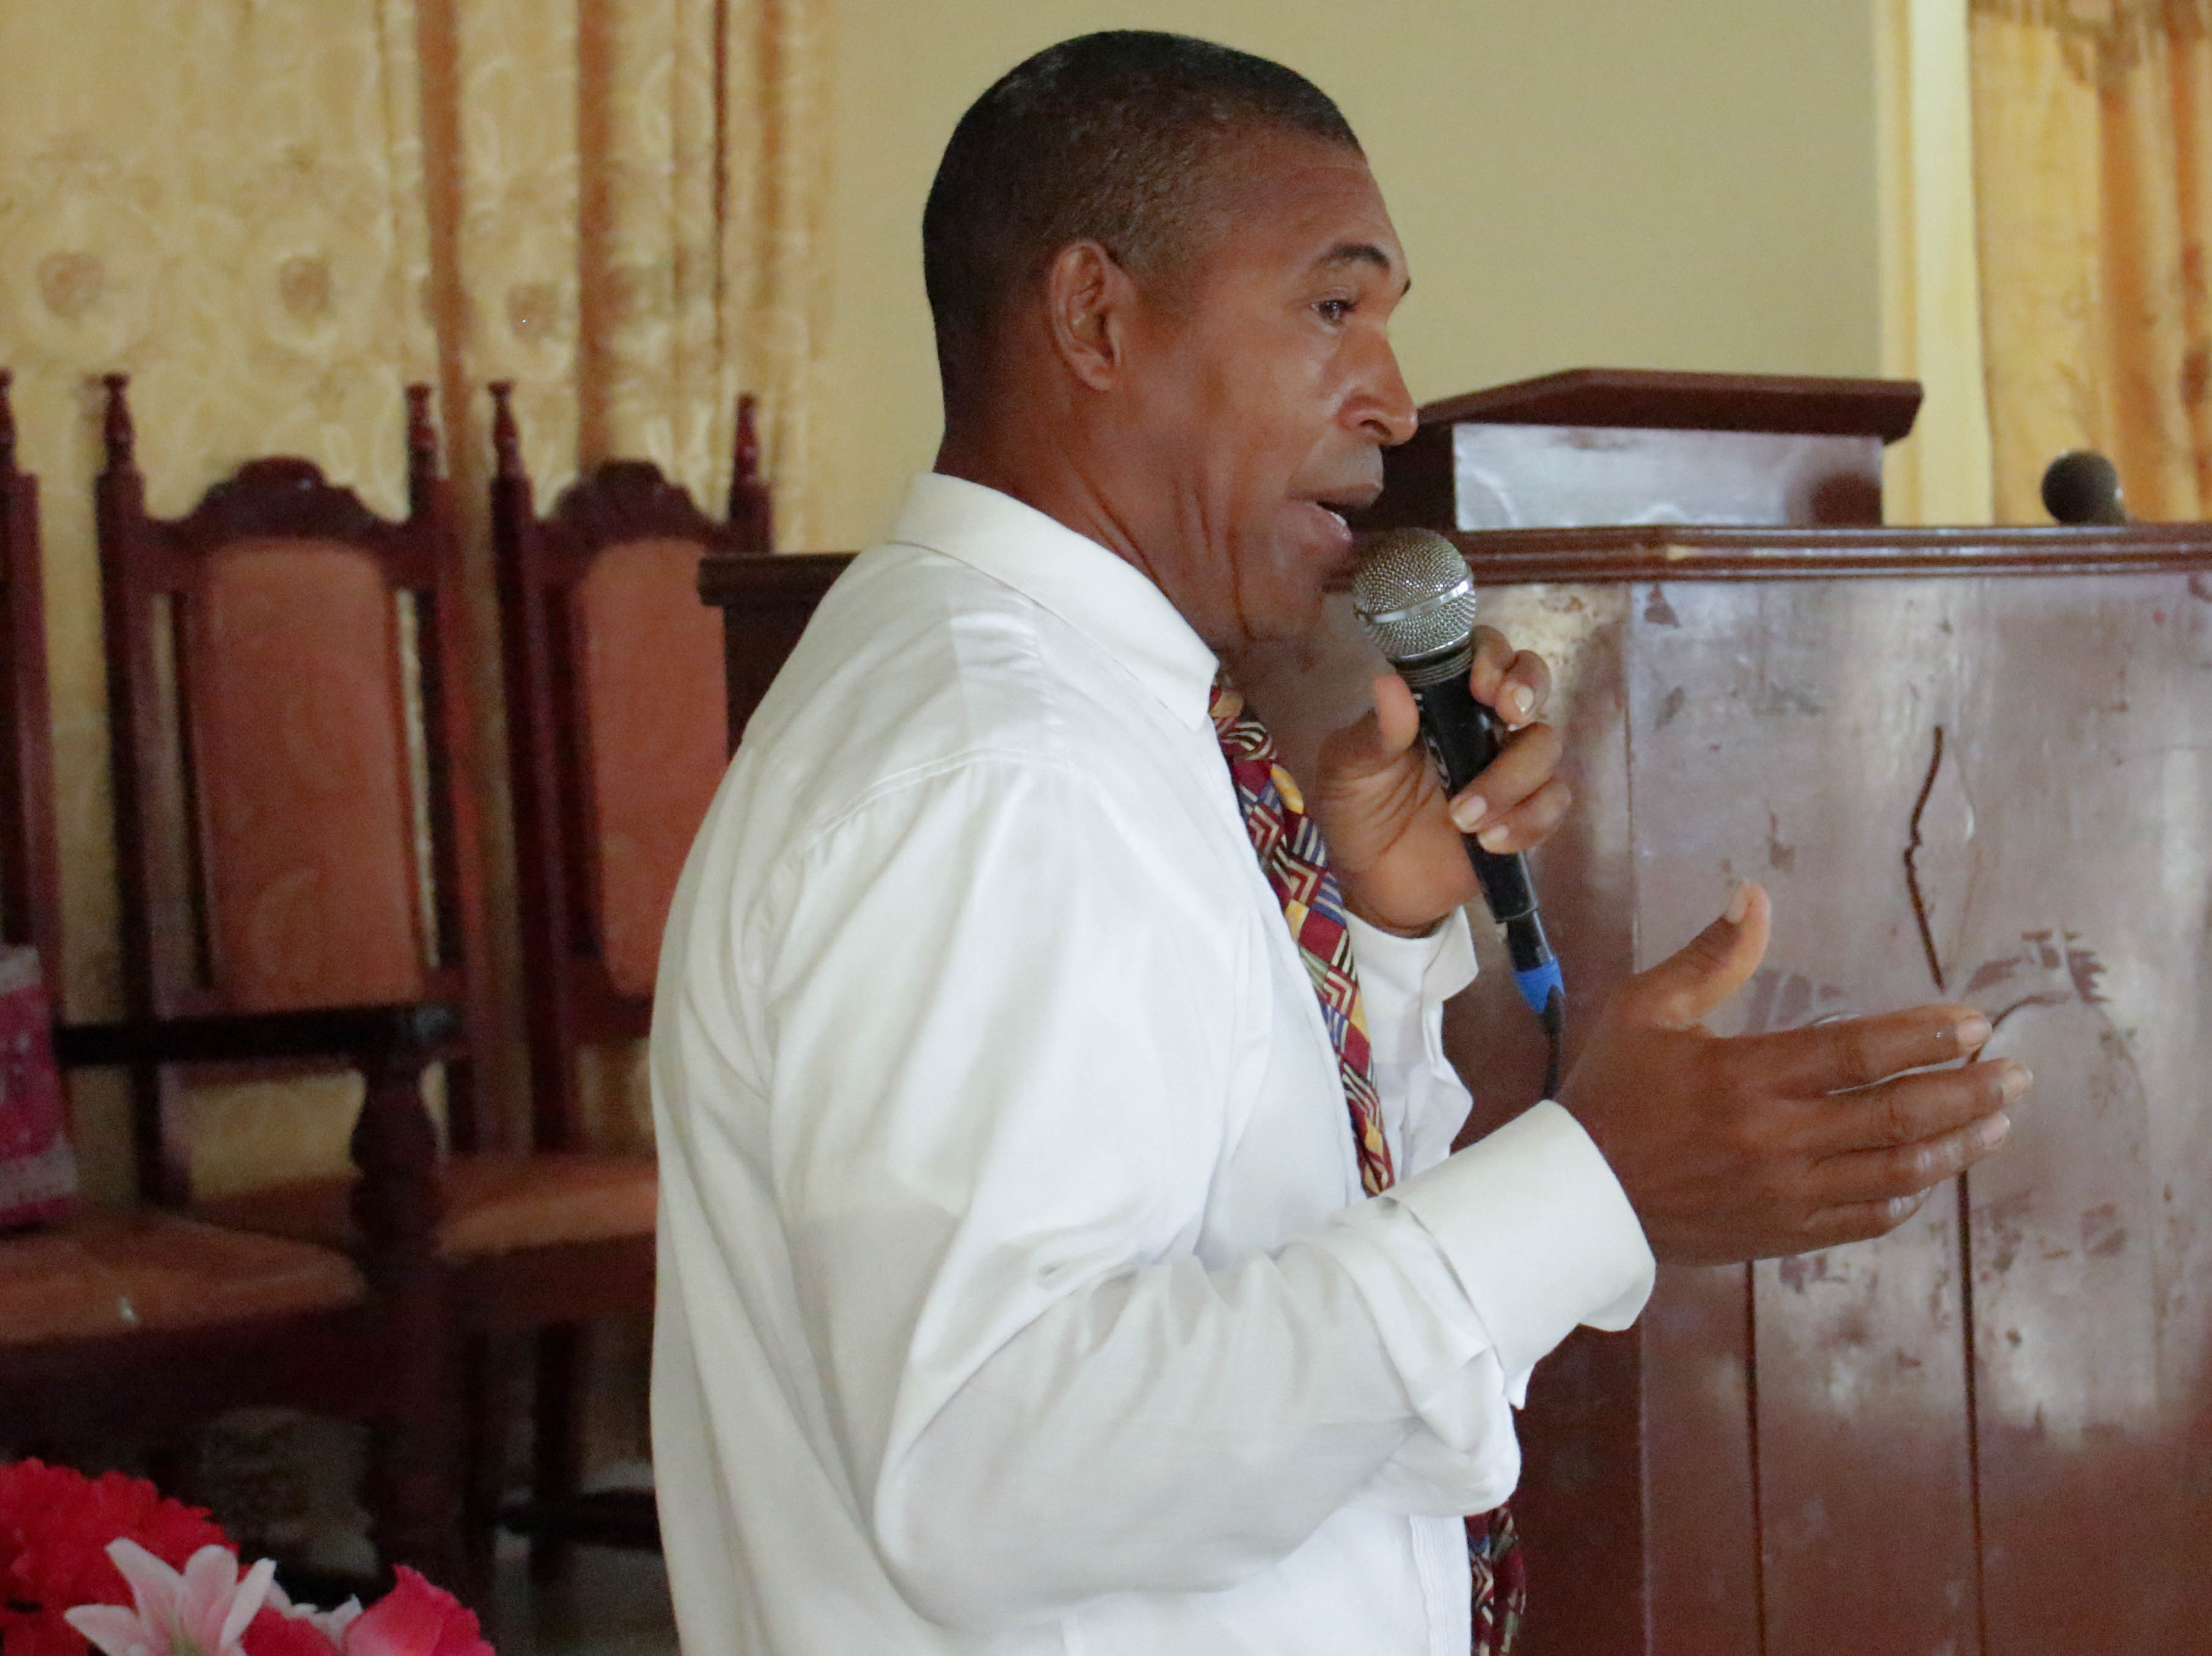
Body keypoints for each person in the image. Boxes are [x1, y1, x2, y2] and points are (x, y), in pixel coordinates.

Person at [649, 30, 2027, 1656]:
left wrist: (1372, 948)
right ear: (1096, 317)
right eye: (1330, 309)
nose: (1392, 397)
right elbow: (991, 1470)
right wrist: (1590, 1183)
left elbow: (1242, 1272)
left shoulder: (1086, 711)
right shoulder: (997, 768)